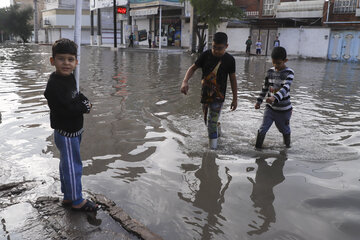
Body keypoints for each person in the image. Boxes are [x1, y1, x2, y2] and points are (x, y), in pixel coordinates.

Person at [44, 38, 98, 212]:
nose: (66, 63)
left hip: (75, 130)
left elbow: (76, 94)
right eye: (61, 59)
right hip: (66, 132)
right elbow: (65, 109)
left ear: (76, 61)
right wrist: (83, 108)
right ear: (53, 61)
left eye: (70, 59)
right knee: (74, 166)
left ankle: (68, 195)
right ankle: (76, 200)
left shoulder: (70, 77)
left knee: (67, 164)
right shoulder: (53, 85)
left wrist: (85, 101)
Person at [180, 32, 238, 149]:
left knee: (210, 125)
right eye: (214, 47)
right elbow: (193, 68)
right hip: (205, 95)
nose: (216, 51)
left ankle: (212, 151)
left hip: (219, 97)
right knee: (208, 121)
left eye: (220, 48)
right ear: (212, 44)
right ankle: (218, 130)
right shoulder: (205, 55)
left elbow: (232, 80)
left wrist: (235, 99)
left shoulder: (229, 60)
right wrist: (185, 81)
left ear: (226, 46)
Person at [254, 47, 294, 148]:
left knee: (284, 130)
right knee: (263, 128)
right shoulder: (270, 72)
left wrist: (274, 98)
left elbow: (285, 88)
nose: (276, 66)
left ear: (285, 61)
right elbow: (265, 88)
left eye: (279, 63)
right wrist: (259, 101)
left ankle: (286, 149)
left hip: (284, 110)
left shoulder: (289, 73)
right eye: (274, 62)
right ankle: (257, 149)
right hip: (270, 108)